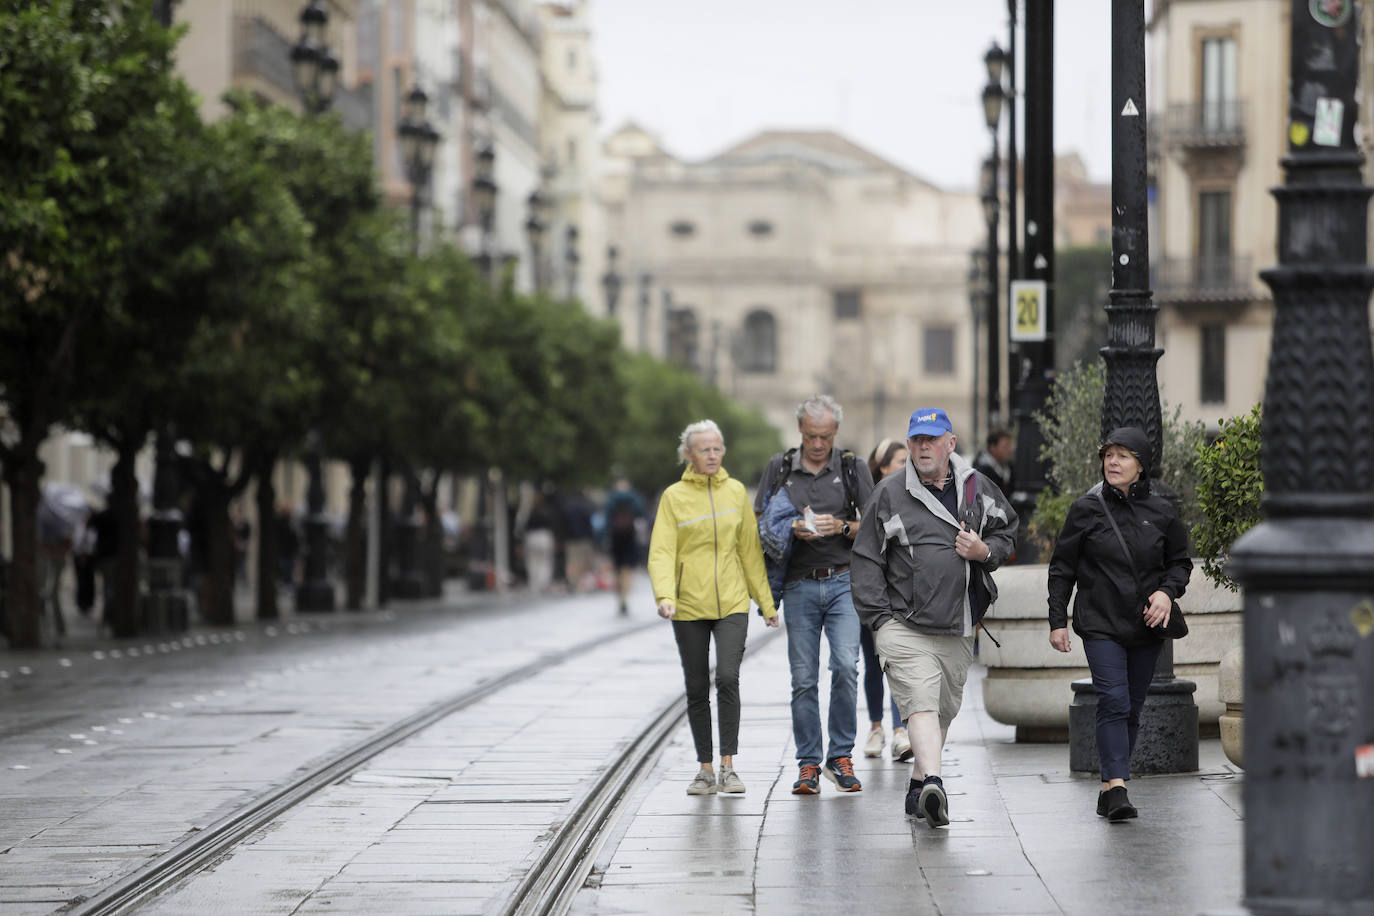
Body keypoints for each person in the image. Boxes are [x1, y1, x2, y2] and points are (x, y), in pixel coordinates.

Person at [851, 407, 1018, 827]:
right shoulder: (888, 493)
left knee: (942, 710)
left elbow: (1008, 531)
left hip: (958, 622)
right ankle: (935, 785)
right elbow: (866, 559)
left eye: (932, 439)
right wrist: (879, 620)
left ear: (950, 443)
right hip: (903, 625)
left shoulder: (977, 487)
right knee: (921, 703)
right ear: (909, 445)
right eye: (917, 440)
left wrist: (984, 551)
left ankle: (917, 786)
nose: (924, 447)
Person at [1046, 426, 1193, 822]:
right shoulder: (1085, 509)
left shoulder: (1162, 512)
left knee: (1132, 707)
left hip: (1147, 625)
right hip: (1100, 623)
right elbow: (1062, 568)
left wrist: (1166, 593)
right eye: (1108, 454)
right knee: (1114, 699)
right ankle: (1117, 787)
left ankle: (1108, 787)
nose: (1112, 461)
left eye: (1122, 455)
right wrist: (1057, 621)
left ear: (1141, 466)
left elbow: (1180, 563)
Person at [648, 419, 779, 796]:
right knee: (695, 686)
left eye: (716, 449)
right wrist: (665, 595)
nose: (711, 455)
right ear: (688, 454)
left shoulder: (735, 492)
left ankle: (728, 766)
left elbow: (750, 552)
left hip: (732, 602)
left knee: (726, 677)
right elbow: (662, 551)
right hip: (688, 604)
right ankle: (704, 769)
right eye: (704, 449)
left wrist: (766, 603)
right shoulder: (673, 497)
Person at [754, 395, 874, 795]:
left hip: (843, 582)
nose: (818, 444)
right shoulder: (780, 467)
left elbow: (875, 524)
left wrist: (842, 527)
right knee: (804, 679)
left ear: (835, 431)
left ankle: (840, 757)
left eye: (825, 436)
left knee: (846, 667)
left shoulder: (852, 467)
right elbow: (759, 522)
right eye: (810, 436)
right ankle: (808, 763)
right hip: (798, 584)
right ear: (800, 431)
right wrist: (790, 529)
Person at [860, 438, 912, 762]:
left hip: (899, 594)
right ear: (882, 468)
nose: (907, 467)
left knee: (895, 661)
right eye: (900, 462)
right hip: (870, 593)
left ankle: (899, 731)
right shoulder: (867, 499)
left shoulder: (912, 497)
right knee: (872, 662)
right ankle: (876, 728)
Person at [604, 476, 645, 614]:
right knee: (627, 569)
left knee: (617, 568)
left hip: (615, 537)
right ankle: (625, 597)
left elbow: (606, 519)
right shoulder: (634, 497)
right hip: (630, 535)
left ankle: (619, 596)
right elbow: (640, 514)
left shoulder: (611, 498)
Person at [973, 428, 1015, 499]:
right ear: (992, 447)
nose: (1010, 450)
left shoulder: (1010, 468)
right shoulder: (981, 472)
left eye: (1010, 446)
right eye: (1006, 446)